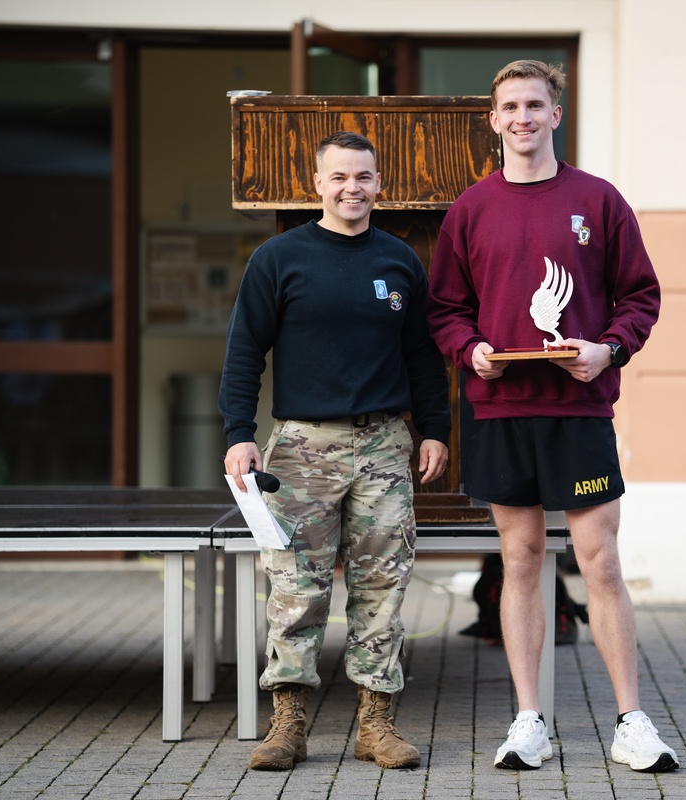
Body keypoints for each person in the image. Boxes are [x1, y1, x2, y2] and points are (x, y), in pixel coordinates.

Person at [426, 60, 678, 774]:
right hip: (501, 410)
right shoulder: (471, 209)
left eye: (535, 104)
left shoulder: (598, 200)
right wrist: (469, 349)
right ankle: (529, 719)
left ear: (556, 114)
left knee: (600, 561)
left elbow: (641, 297)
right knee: (521, 560)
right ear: (495, 119)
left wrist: (608, 350)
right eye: (510, 106)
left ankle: (631, 722)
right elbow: (445, 309)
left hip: (580, 411)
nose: (523, 117)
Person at [219, 131, 451, 772]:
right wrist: (239, 433)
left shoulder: (400, 262)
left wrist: (436, 429)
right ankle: (287, 726)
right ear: (318, 183)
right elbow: (244, 353)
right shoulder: (278, 258)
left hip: (384, 445)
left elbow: (423, 356)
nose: (353, 187)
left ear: (380, 185)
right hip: (301, 448)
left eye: (365, 177)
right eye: (340, 176)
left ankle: (376, 727)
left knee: (383, 586)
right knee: (296, 588)